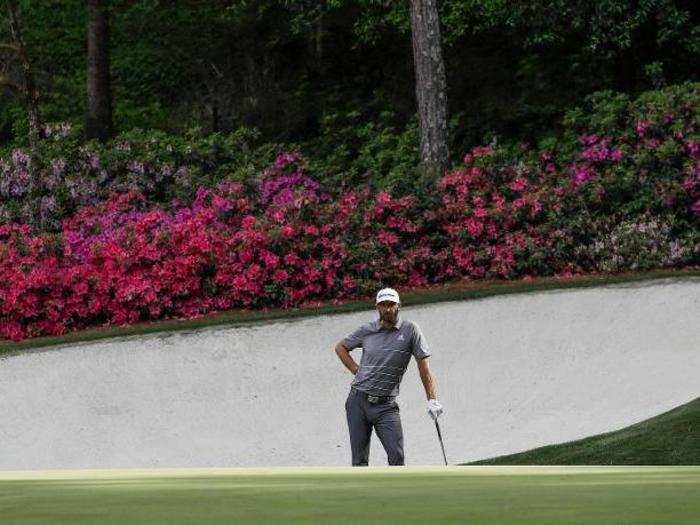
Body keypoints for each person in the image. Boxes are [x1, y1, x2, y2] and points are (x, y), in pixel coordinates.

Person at [334, 287, 443, 466]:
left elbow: (424, 367)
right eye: (383, 305)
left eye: (391, 304)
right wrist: (356, 370)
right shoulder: (367, 330)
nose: (387, 309)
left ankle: (397, 493)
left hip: (386, 406)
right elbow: (341, 347)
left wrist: (432, 399)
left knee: (397, 455)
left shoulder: (410, 330)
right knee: (359, 461)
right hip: (357, 401)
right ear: (377, 307)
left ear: (398, 305)